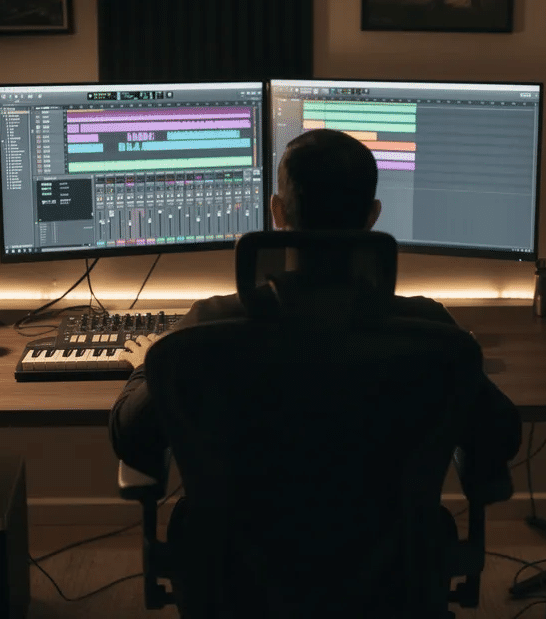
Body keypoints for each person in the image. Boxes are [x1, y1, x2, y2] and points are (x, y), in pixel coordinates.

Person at [109, 129, 522, 608]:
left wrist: (147, 365)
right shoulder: (430, 335)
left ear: (277, 212)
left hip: (237, 585)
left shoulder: (205, 332)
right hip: (389, 584)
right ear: (373, 216)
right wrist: (465, 362)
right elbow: (500, 437)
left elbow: (132, 437)